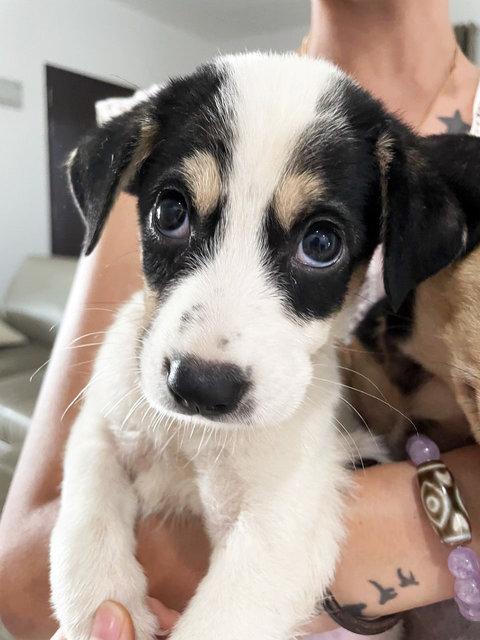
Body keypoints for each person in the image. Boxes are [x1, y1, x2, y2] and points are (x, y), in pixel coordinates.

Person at [0, 1, 479, 639]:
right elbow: (23, 577)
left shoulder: (407, 173)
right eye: (173, 213)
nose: (210, 351)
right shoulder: (174, 107)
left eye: (320, 242)